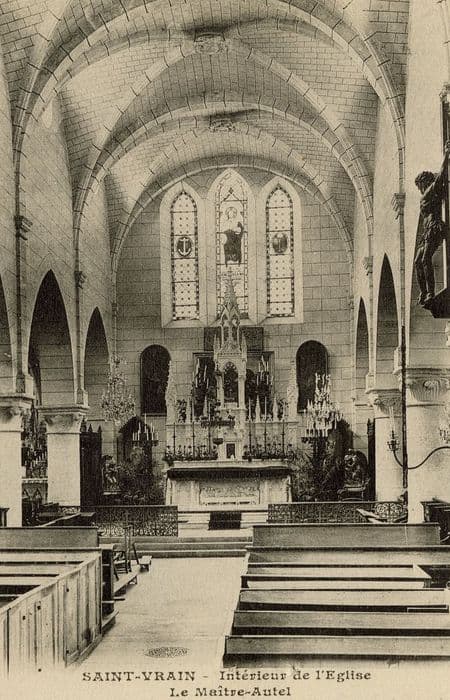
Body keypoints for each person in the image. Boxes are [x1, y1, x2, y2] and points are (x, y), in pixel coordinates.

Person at [414, 140, 450, 307]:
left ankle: (430, 292)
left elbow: (441, 175)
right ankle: (423, 292)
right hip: (427, 231)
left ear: (424, 182)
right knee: (418, 261)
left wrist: (446, 155)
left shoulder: (430, 190)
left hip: (435, 227)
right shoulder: (426, 194)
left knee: (425, 258)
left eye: (420, 185)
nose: (419, 189)